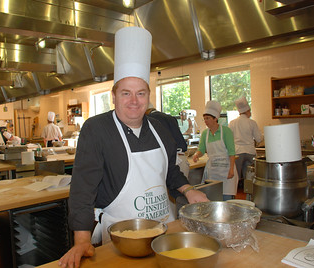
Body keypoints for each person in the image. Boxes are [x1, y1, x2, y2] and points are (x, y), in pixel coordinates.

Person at [59, 26, 209, 268]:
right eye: (126, 93)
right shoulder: (97, 129)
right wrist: (81, 240)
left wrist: (189, 190)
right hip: (122, 240)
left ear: (148, 96)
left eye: (140, 93)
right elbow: (82, 189)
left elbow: (169, 170)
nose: (133, 101)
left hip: (164, 230)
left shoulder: (160, 127)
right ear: (114, 96)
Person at [192, 100, 238, 201]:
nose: (206, 121)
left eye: (208, 118)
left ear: (215, 118)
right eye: (204, 119)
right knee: (213, 198)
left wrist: (231, 170)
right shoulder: (205, 134)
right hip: (213, 172)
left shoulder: (226, 131)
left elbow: (231, 152)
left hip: (226, 172)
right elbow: (202, 149)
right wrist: (196, 154)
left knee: (226, 199)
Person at [229, 96, 262, 186]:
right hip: (250, 152)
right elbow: (259, 138)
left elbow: (228, 139)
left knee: (236, 178)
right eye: (249, 111)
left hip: (237, 152)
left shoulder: (232, 123)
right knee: (249, 178)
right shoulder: (252, 123)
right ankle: (248, 195)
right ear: (247, 111)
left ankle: (235, 195)